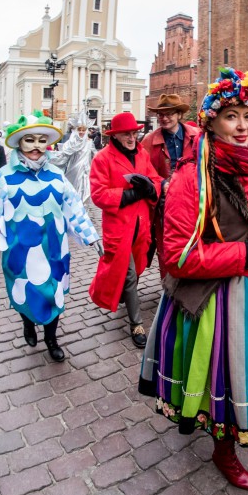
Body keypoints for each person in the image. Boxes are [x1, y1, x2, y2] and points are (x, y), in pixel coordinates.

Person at [138, 67, 248, 490]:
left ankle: (225, 442)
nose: (243, 127)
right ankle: (225, 449)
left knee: (242, 369)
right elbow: (178, 256)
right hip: (213, 297)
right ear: (211, 120)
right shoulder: (190, 177)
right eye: (231, 116)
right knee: (220, 373)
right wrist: (247, 253)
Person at [0, 111, 101, 362]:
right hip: (20, 253)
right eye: (30, 140)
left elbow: (74, 207)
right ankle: (27, 322)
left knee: (54, 294)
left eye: (41, 140)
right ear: (19, 144)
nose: (36, 146)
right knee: (24, 292)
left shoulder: (56, 175)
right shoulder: (4, 177)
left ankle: (51, 338)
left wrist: (91, 236)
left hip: (54, 252)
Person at [89, 112, 162, 348]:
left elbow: (155, 179)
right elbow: (98, 194)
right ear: (116, 136)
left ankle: (124, 291)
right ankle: (136, 323)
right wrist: (129, 194)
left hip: (141, 226)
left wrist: (152, 189)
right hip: (119, 228)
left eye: (134, 133)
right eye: (126, 134)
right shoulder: (103, 158)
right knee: (129, 274)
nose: (132, 137)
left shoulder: (142, 153)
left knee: (137, 268)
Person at [141, 94, 199, 274]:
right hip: (164, 203)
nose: (164, 118)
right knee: (167, 244)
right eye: (161, 114)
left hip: (194, 199)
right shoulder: (149, 141)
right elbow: (144, 170)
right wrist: (162, 182)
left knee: (195, 240)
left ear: (179, 115)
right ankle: (170, 286)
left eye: (169, 114)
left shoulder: (196, 136)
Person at [50, 122, 96, 205]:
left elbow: (96, 156)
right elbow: (63, 155)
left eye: (83, 130)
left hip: (86, 171)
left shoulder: (89, 143)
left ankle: (83, 211)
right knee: (73, 192)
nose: (81, 132)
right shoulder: (70, 143)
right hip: (73, 171)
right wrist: (51, 158)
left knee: (86, 193)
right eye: (79, 130)